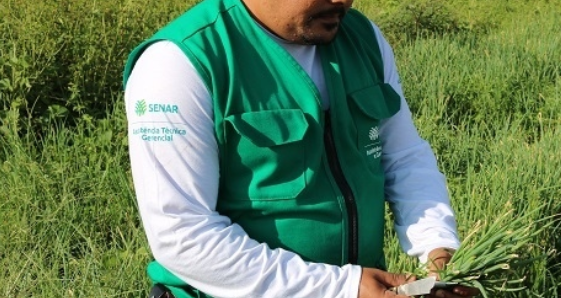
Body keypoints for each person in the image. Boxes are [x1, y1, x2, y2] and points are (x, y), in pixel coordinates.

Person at [123, 0, 479, 297]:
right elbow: (182, 234)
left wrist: (437, 246)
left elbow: (403, 156)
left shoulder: (362, 38)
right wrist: (341, 288)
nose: (343, 0)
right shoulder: (178, 64)